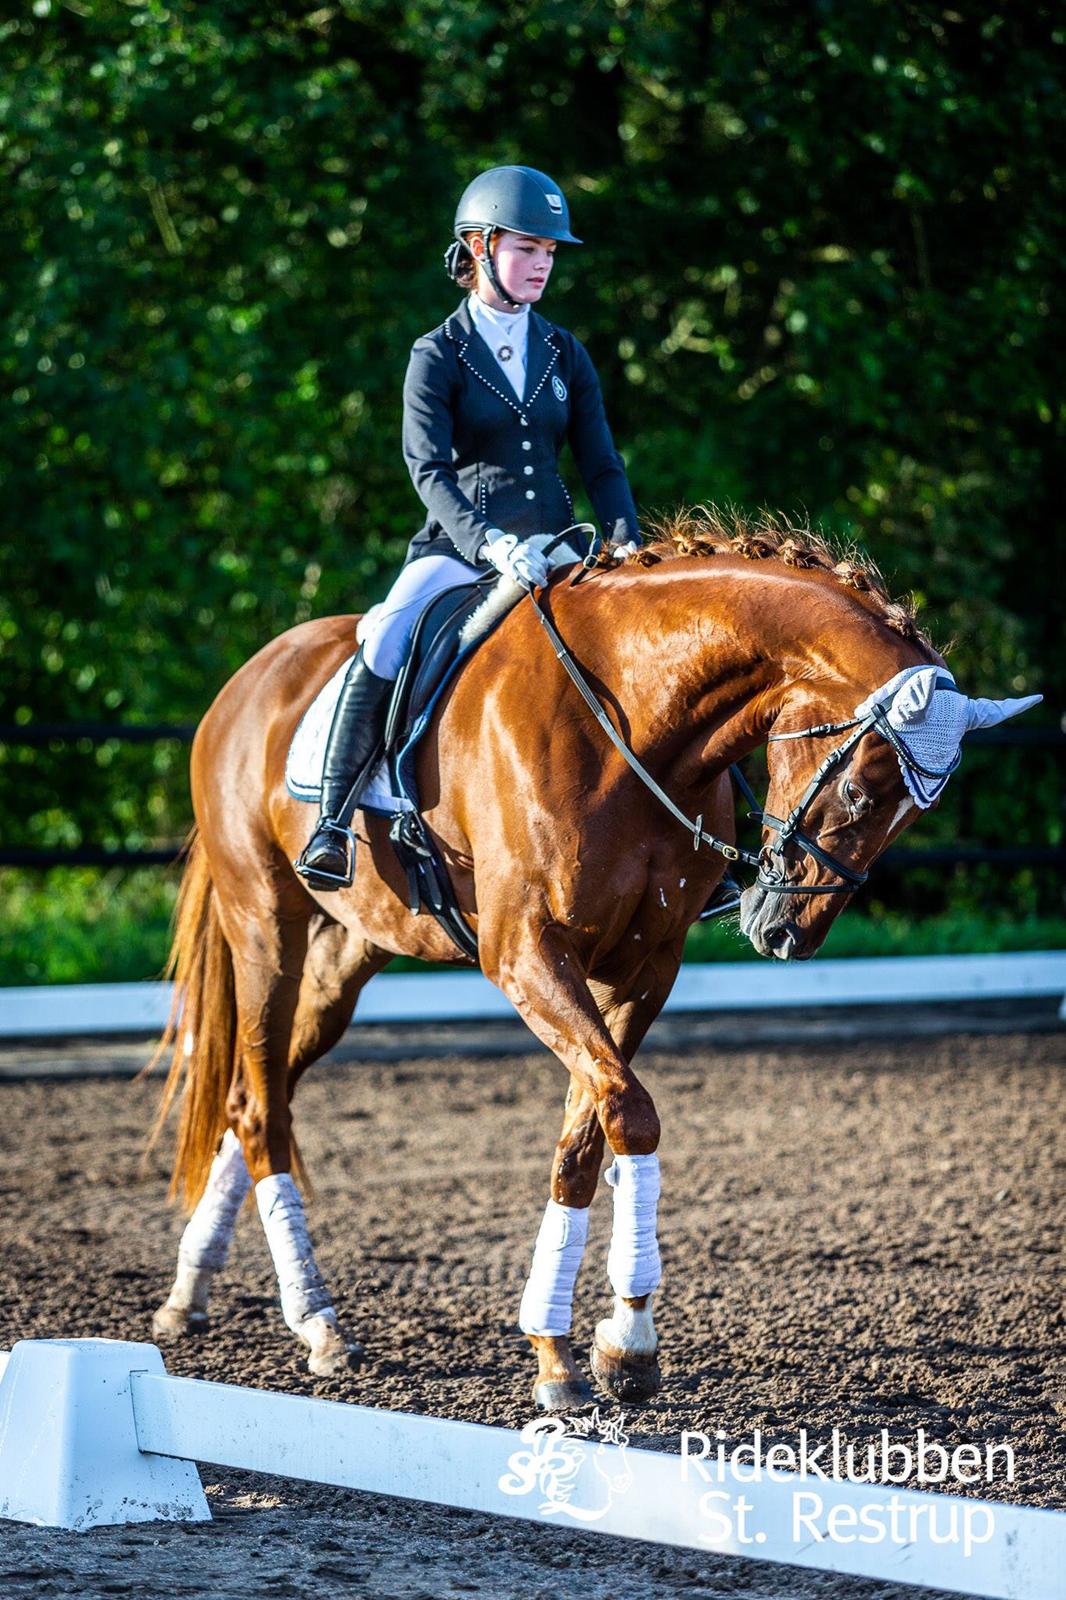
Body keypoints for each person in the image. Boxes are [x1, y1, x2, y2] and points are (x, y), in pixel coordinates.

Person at [295, 163, 641, 890]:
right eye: (527, 248)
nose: (543, 264)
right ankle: (334, 822)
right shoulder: (438, 354)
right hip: (461, 553)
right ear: (480, 247)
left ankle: (709, 857)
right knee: (387, 634)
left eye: (550, 252)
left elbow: (601, 461)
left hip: (557, 551)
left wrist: (624, 536)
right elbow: (428, 471)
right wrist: (488, 542)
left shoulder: (563, 352)